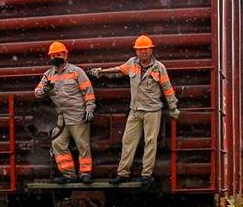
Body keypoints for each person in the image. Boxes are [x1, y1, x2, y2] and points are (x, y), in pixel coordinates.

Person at [90, 35, 179, 185]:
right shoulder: (132, 63)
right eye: (140, 49)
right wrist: (102, 72)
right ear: (136, 51)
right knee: (128, 141)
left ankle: (146, 175)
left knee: (150, 143)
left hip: (152, 111)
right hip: (135, 111)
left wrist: (173, 107)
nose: (142, 52)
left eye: (145, 49)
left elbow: (167, 89)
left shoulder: (159, 68)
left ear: (151, 50)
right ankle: (123, 174)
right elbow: (118, 71)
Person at [35, 41, 95, 183]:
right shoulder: (48, 75)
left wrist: (90, 109)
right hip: (60, 117)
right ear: (50, 57)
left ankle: (85, 174)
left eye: (59, 54)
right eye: (54, 55)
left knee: (82, 145)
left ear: (65, 55)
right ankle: (69, 175)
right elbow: (37, 92)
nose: (56, 56)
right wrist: (44, 90)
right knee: (58, 144)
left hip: (77, 114)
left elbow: (88, 92)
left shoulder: (76, 72)